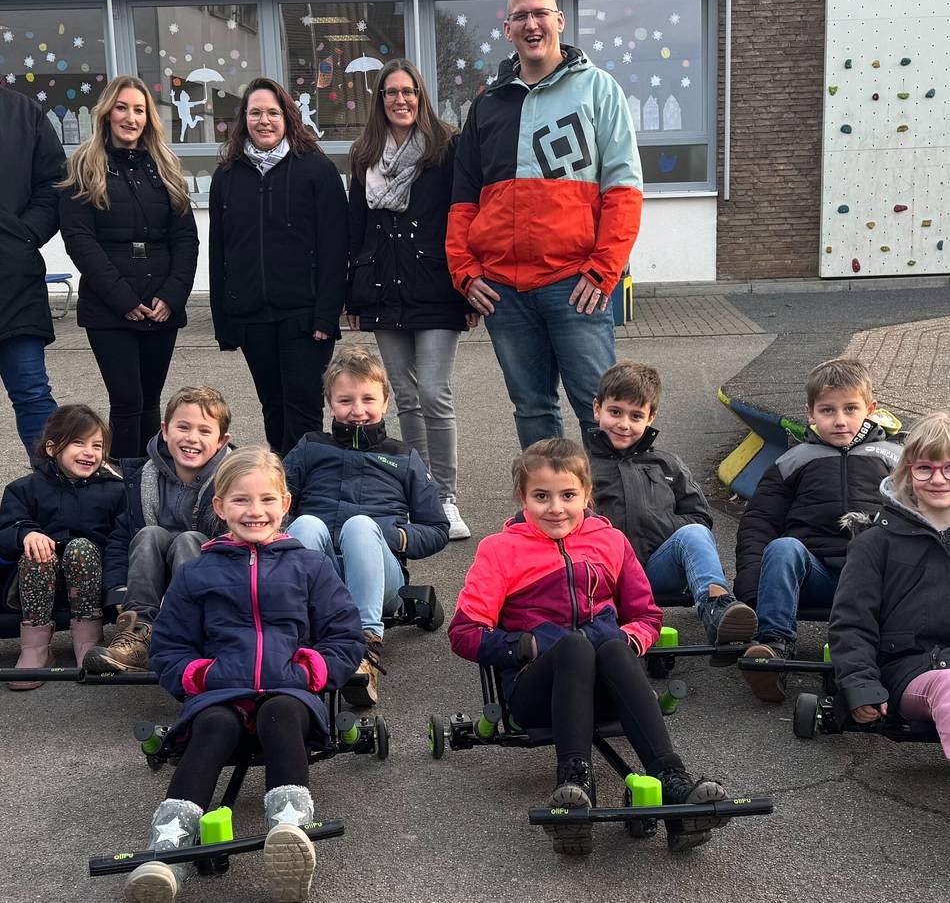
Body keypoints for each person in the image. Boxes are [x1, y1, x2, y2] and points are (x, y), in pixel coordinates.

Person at [448, 438, 730, 855]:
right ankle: (575, 778)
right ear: (522, 497)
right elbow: (464, 633)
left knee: (615, 648)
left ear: (586, 495)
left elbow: (647, 616)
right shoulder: (500, 550)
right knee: (576, 648)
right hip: (537, 693)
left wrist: (630, 638)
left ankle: (674, 782)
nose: (555, 508)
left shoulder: (609, 541)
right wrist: (524, 644)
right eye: (541, 496)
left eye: (567, 495)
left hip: (608, 690)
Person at [122, 447, 364, 903]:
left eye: (267, 500)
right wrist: (198, 677)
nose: (255, 511)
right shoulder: (197, 572)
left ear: (285, 503)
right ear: (219, 507)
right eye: (241, 501)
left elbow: (345, 635)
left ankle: (288, 830)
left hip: (289, 691)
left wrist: (312, 670)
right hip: (222, 692)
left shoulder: (309, 566)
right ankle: (166, 847)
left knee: (282, 712)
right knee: (212, 725)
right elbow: (170, 646)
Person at [446, 0, 643, 449]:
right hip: (504, 291)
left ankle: (614, 513)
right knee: (532, 409)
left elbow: (624, 189)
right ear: (507, 29)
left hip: (575, 283)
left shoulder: (598, 89)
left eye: (540, 13)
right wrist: (464, 271)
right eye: (520, 17)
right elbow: (462, 200)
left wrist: (604, 270)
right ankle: (547, 514)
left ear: (559, 21)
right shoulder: (487, 104)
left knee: (600, 410)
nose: (531, 24)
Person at [348, 58, 475, 541]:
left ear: (421, 97)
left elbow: (463, 216)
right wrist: (352, 294)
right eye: (390, 92)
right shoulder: (364, 155)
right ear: (380, 100)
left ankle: (446, 496)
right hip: (382, 288)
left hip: (437, 287)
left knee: (432, 393)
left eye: (409, 92)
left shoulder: (446, 148)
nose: (400, 100)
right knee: (402, 395)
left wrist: (468, 286)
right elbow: (355, 228)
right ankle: (418, 491)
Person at [283, 346, 449, 707]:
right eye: (345, 400)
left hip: (379, 572)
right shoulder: (311, 447)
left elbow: (437, 527)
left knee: (361, 526)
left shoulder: (404, 457)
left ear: (385, 402)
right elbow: (273, 498)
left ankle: (364, 647)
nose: (357, 410)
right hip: (322, 566)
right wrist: (285, 528)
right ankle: (293, 636)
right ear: (329, 404)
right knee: (306, 523)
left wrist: (393, 535)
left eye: (367, 399)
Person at [735, 358, 902, 702]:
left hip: (876, 579)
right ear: (810, 412)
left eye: (850, 409)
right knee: (784, 547)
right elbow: (759, 521)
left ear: (870, 409)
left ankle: (895, 656)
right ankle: (774, 648)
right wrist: (752, 586)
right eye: (827, 410)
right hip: (818, 576)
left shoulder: (894, 458)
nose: (840, 420)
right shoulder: (793, 461)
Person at [59, 75, 199, 459]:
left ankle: (149, 485)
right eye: (122, 107)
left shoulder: (166, 168)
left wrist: (171, 296)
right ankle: (122, 487)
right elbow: (79, 241)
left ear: (148, 118)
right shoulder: (84, 168)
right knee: (126, 400)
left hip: (161, 304)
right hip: (109, 309)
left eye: (139, 109)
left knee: (152, 402)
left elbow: (186, 240)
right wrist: (123, 298)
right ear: (106, 113)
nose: (130, 117)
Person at [209, 77, 349, 456]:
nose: (264, 121)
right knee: (272, 406)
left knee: (303, 409)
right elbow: (220, 250)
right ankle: (278, 489)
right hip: (252, 316)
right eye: (255, 113)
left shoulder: (317, 170)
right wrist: (224, 320)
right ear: (244, 119)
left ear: (287, 117)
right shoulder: (226, 176)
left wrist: (327, 315)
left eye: (272, 112)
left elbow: (336, 248)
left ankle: (301, 493)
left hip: (305, 317)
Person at [589, 361, 757, 647]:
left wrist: (656, 523)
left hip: (657, 569)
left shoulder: (667, 464)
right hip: (602, 578)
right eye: (615, 412)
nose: (624, 424)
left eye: (636, 415)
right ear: (597, 409)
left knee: (694, 534)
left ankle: (717, 608)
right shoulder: (581, 468)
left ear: (651, 417)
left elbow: (700, 519)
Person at [83, 387, 233, 674]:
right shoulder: (142, 477)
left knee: (189, 540)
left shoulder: (232, 481)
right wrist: (116, 589)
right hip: (153, 582)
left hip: (209, 587)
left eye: (204, 431)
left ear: (221, 440)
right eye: (183, 427)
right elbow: (121, 538)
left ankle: (194, 635)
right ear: (165, 430)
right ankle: (138, 633)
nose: (192, 438)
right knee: (149, 534)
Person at [829, 411, 950, 757]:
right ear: (908, 474)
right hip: (912, 668)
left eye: (948, 468)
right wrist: (861, 685)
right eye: (925, 468)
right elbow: (852, 622)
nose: (938, 479)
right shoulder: (875, 543)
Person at [0, 405, 124, 690]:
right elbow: (5, 531)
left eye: (97, 445)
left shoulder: (115, 490)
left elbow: (122, 539)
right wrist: (25, 534)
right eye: (78, 443)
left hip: (91, 586)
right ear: (53, 448)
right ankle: (35, 647)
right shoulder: (24, 488)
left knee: (81, 547)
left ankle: (88, 641)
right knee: (36, 552)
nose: (89, 452)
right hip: (39, 587)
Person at [0, 86, 63, 456]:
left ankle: (56, 493)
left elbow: (53, 185)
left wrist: (22, 237)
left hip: (14, 281)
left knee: (32, 394)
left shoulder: (24, 113)